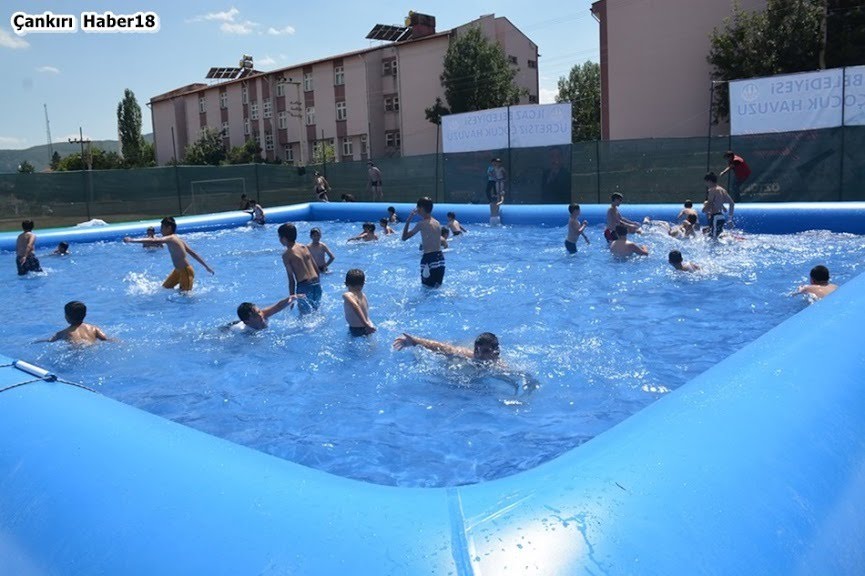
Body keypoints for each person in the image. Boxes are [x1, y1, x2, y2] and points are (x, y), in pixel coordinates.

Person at [392, 331, 539, 393]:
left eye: (485, 351)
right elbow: (442, 347)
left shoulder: (500, 367)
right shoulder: (468, 355)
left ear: (496, 352)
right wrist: (414, 341)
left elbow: (523, 377)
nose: (478, 354)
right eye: (477, 350)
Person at [123, 216, 214, 292]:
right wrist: (206, 266)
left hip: (186, 271)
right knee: (164, 289)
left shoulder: (171, 238)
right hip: (177, 271)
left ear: (169, 228)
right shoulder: (177, 239)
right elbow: (193, 253)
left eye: (162, 228)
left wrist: (132, 240)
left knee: (185, 296)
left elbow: (154, 240)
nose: (160, 230)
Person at [278, 223, 321, 314]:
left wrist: (291, 298)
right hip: (316, 284)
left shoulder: (287, 254)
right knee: (316, 313)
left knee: (305, 317)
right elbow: (316, 268)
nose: (279, 240)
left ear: (284, 238)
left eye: (279, 237)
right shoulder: (304, 247)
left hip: (304, 287)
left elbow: (291, 279)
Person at [402, 197, 445, 288]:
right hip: (440, 258)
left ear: (421, 208)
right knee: (437, 288)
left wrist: (408, 220)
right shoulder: (437, 223)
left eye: (417, 207)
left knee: (427, 289)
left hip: (429, 259)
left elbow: (404, 237)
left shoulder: (421, 223)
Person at [38, 301, 110, 344]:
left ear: (66, 317)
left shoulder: (62, 333)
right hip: (91, 347)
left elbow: (50, 340)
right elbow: (106, 339)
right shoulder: (93, 328)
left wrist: (38, 341)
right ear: (85, 315)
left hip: (77, 350)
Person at [235, 295, 303, 331]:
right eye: (255, 315)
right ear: (247, 322)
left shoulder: (263, 314)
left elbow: (278, 307)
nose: (260, 315)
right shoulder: (241, 329)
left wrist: (291, 298)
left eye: (259, 311)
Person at [343, 268, 376, 336]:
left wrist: (366, 324)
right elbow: (366, 311)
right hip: (367, 327)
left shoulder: (348, 295)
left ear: (345, 283)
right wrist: (369, 324)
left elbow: (355, 306)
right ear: (363, 284)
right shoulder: (363, 295)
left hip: (356, 329)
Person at [704, 172, 735, 239]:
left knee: (713, 239)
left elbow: (710, 203)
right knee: (714, 235)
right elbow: (732, 203)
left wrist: (704, 209)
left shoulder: (712, 190)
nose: (706, 184)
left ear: (709, 181)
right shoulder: (722, 190)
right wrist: (730, 219)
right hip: (721, 217)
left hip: (715, 217)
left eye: (706, 182)